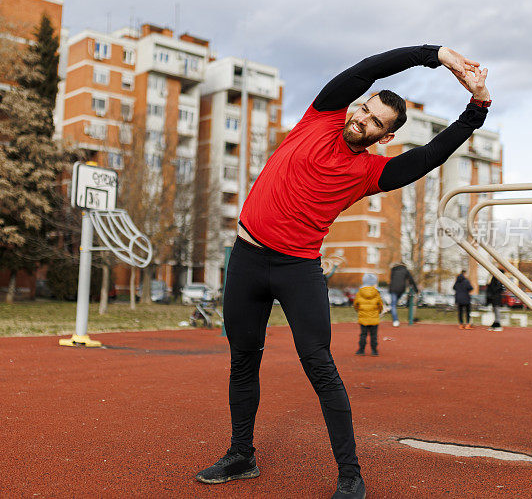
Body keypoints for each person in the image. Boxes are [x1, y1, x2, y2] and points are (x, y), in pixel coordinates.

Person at [194, 44, 490, 499]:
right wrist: (437, 55)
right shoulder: (322, 116)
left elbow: (432, 154)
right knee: (243, 359)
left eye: (375, 122)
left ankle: (350, 476)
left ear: (384, 137)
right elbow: (365, 71)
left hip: (298, 269)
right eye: (364, 109)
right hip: (247, 258)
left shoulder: (371, 172)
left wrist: (477, 108)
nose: (362, 119)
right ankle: (241, 455)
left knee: (321, 367)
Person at [354, 273, 384, 356]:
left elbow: (356, 304)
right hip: (374, 318)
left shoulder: (359, 293)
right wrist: (379, 311)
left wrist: (359, 311)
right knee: (374, 335)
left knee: (363, 334)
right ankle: (374, 351)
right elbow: (380, 305)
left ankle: (361, 350)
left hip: (363, 317)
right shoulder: (377, 293)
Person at [388, 262, 418, 327]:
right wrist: (416, 289)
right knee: (394, 304)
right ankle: (392, 308)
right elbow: (411, 280)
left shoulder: (393, 270)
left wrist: (389, 289)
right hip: (401, 289)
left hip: (393, 288)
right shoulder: (405, 270)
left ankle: (395, 320)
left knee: (393, 304)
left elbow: (391, 279)